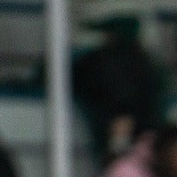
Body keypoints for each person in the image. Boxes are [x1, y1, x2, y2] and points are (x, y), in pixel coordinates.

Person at [72, 14, 168, 167]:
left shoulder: (109, 61)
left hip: (129, 136)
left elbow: (123, 110)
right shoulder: (146, 62)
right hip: (141, 138)